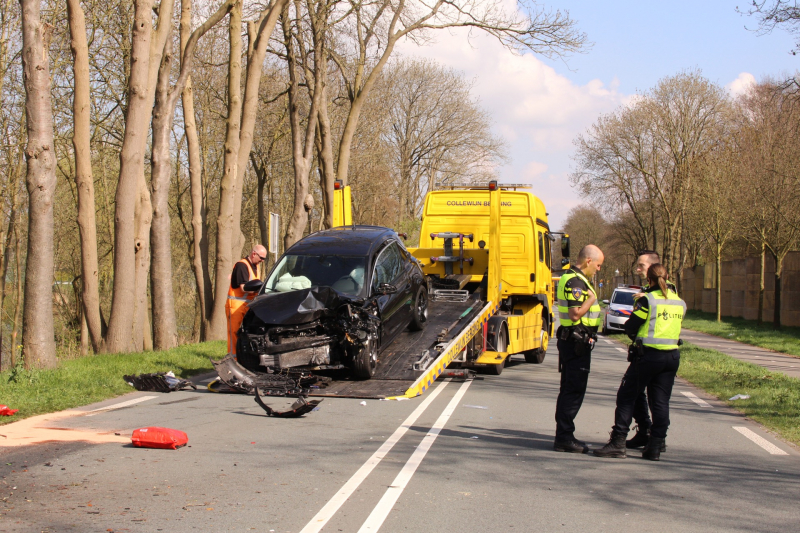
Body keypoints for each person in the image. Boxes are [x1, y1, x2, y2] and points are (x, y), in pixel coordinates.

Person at [594, 263, 686, 460]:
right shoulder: (680, 302)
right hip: (671, 357)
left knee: (627, 396)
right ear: (667, 277)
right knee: (660, 402)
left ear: (649, 280)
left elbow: (632, 325)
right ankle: (655, 446)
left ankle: (618, 442)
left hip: (648, 357)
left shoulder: (647, 301)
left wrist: (636, 336)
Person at [553, 244, 604, 453]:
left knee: (570, 389)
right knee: (573, 390)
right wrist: (591, 299)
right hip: (575, 342)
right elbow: (575, 314)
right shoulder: (576, 282)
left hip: (576, 341)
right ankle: (565, 437)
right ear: (589, 261)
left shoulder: (577, 279)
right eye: (598, 265)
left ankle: (564, 435)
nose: (599, 269)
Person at [626, 250, 672, 450]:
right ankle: (649, 434)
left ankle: (654, 437)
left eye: (641, 266)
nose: (637, 270)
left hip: (653, 354)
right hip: (656, 353)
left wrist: (645, 298)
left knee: (639, 395)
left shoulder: (665, 291)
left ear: (653, 267)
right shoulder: (648, 291)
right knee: (646, 397)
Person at [226, 245, 267, 356]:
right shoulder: (241, 266)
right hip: (235, 306)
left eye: (264, 259)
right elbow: (244, 288)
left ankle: (243, 358)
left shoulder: (255, 266)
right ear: (254, 254)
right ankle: (232, 359)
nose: (262, 261)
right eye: (261, 258)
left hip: (248, 306)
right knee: (233, 333)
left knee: (245, 334)